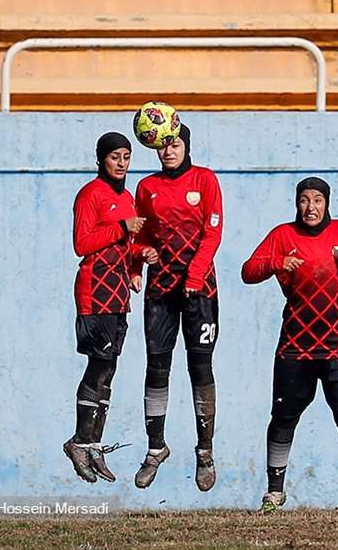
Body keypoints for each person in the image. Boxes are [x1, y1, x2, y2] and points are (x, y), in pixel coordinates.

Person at [241, 177, 338, 517]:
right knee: (284, 417)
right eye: (304, 200)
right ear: (296, 203)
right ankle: (274, 493)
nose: (310, 207)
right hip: (296, 347)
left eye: (317, 200)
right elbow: (248, 271)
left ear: (327, 203)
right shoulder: (283, 235)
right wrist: (276, 263)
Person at [129, 123, 223, 492]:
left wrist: (196, 276)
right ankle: (156, 448)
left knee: (200, 368)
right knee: (156, 367)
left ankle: (205, 451)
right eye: (163, 146)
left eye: (176, 144)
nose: (169, 151)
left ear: (186, 146)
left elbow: (213, 234)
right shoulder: (147, 188)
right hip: (161, 292)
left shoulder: (205, 181)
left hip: (200, 292)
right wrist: (139, 260)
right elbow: (141, 236)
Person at [65, 132, 157, 483]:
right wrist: (122, 227)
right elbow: (82, 243)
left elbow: (125, 246)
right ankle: (79, 442)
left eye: (126, 157)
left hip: (119, 294)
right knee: (99, 364)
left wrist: (140, 260)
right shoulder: (91, 194)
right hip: (95, 292)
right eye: (115, 156)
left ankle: (92, 443)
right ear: (101, 159)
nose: (121, 163)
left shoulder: (128, 198)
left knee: (109, 370)